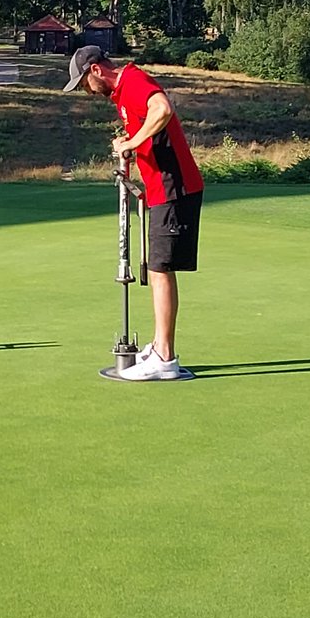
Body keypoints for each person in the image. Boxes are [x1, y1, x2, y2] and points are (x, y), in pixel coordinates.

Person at [64, 45, 204, 380]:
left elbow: (162, 109)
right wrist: (132, 141)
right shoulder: (121, 95)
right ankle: (158, 347)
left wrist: (130, 143)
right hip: (160, 189)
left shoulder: (135, 82)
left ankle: (165, 359)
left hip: (175, 187)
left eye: (83, 82)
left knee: (160, 269)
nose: (85, 90)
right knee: (157, 268)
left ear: (96, 70)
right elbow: (149, 130)